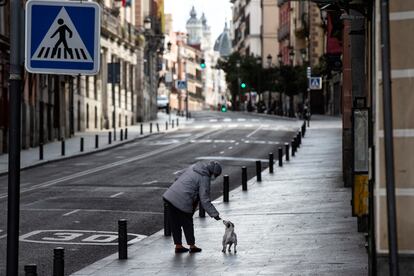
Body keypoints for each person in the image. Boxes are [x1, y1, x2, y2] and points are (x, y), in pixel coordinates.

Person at [163, 161, 222, 253]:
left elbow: (178, 175)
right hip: (182, 200)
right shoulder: (204, 178)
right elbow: (204, 198)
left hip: (169, 196)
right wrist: (214, 214)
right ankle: (192, 246)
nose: (215, 177)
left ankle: (178, 246)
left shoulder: (194, 167)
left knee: (175, 223)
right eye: (216, 175)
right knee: (188, 223)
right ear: (212, 172)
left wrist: (180, 187)